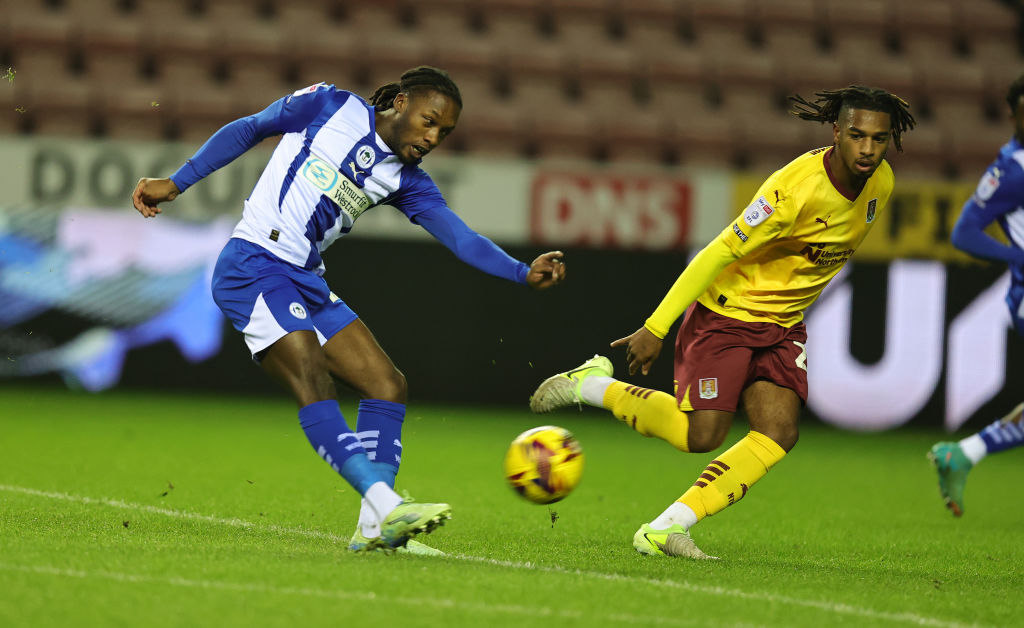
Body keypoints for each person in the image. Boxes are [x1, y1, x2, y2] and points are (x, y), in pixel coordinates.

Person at [132, 66, 567, 554]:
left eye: (444, 132)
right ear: (400, 103)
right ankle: (386, 504)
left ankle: (375, 528)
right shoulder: (329, 105)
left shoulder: (406, 181)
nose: (432, 137)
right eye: (428, 121)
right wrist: (178, 182)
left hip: (305, 279)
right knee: (312, 375)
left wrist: (520, 271)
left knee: (387, 385)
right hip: (253, 263)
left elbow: (460, 237)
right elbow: (251, 127)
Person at [530, 86, 915, 558]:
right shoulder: (792, 190)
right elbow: (718, 252)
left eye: (879, 138)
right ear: (836, 132)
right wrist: (656, 326)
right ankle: (592, 385)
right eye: (857, 136)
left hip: (783, 324)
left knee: (779, 431)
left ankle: (666, 528)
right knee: (701, 436)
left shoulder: (882, 182)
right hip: (729, 315)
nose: (868, 149)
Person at [928, 74, 1024, 518]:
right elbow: (964, 232)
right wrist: (1016, 255)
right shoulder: (1011, 170)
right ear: (1013, 114)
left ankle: (964, 453)